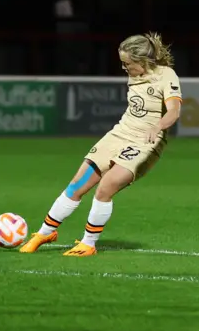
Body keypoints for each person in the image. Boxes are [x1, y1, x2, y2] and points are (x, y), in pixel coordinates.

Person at [19, 32, 182, 256]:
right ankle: (45, 232)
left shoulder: (166, 75)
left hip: (146, 142)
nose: (125, 68)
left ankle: (88, 244)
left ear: (142, 61)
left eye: (127, 63)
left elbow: (174, 111)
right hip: (120, 134)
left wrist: (158, 126)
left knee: (106, 187)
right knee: (77, 185)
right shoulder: (137, 72)